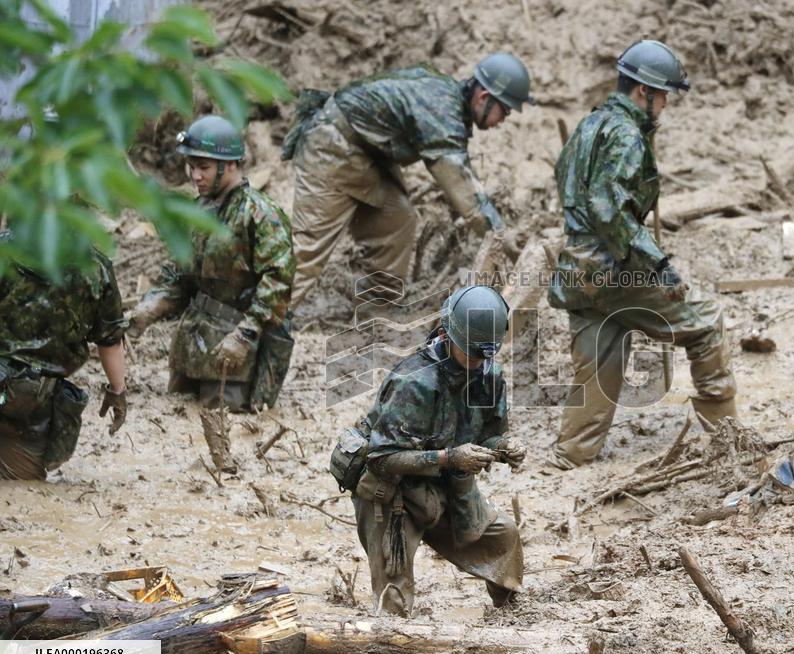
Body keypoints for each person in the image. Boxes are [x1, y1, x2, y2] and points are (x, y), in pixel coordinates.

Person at [546, 40, 738, 470]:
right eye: (664, 94)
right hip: (614, 269)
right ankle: (728, 439)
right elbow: (607, 206)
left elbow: (568, 184)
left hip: (576, 268)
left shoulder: (589, 125)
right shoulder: (627, 134)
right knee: (705, 323)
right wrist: (659, 264)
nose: (667, 103)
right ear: (643, 92)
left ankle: (572, 452)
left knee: (600, 356)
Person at [330, 285, 527, 616]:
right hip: (391, 490)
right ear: (447, 337)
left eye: (485, 355)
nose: (479, 363)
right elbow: (381, 459)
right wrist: (449, 458)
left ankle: (510, 613)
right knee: (393, 597)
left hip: (445, 481)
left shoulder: (488, 374)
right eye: (472, 353)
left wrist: (502, 447)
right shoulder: (414, 381)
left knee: (502, 537)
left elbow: (489, 433)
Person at [283, 53, 533, 306]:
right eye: (505, 111)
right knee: (307, 251)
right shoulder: (441, 112)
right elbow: (466, 195)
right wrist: (504, 240)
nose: (502, 122)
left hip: (366, 155)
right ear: (484, 98)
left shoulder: (445, 99)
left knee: (396, 221)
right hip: (330, 145)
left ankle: (377, 308)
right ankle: (255, 328)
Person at [128, 115, 295, 412]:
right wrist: (148, 308)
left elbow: (278, 283)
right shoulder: (200, 209)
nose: (195, 176)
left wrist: (246, 334)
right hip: (194, 340)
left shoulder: (260, 214)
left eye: (203, 167)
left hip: (238, 346)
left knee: (223, 418)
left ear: (230, 165)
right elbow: (181, 271)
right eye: (191, 166)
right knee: (178, 409)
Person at [0, 234, 128, 480]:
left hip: (20, 391)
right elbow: (110, 339)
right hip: (33, 398)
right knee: (20, 484)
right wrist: (117, 390)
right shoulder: (95, 267)